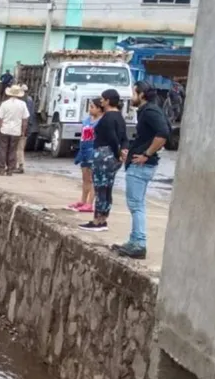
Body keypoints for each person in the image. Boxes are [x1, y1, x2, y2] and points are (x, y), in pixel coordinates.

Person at [112, 80, 171, 259]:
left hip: (141, 165)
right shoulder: (148, 111)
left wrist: (146, 153)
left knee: (136, 205)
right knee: (136, 204)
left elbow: (164, 133)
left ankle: (139, 243)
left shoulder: (150, 111)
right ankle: (134, 240)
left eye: (134, 92)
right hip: (140, 162)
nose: (131, 96)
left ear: (141, 94)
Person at [79, 89, 127, 234]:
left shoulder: (107, 118)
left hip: (104, 154)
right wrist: (123, 151)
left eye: (102, 99)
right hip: (113, 155)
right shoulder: (120, 117)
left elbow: (112, 137)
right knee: (108, 188)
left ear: (107, 101)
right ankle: (103, 218)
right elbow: (124, 137)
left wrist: (117, 151)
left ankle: (97, 220)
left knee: (100, 188)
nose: (100, 102)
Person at [68, 98, 102, 212]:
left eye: (92, 107)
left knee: (92, 179)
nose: (90, 109)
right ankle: (83, 200)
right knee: (85, 178)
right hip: (84, 149)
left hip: (93, 150)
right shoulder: (87, 120)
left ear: (99, 109)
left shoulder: (101, 122)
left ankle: (89, 203)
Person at [0, 84, 29, 175]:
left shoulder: (4, 104)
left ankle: (1, 169)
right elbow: (25, 120)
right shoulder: (23, 104)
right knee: (12, 150)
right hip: (16, 131)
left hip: (5, 130)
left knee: (2, 150)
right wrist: (23, 132)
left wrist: (0, 129)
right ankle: (10, 170)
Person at [17, 84, 36, 173]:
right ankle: (19, 165)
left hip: (23, 127)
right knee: (20, 147)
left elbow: (27, 117)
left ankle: (19, 165)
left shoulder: (25, 102)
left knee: (19, 148)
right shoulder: (28, 100)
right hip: (25, 126)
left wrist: (24, 129)